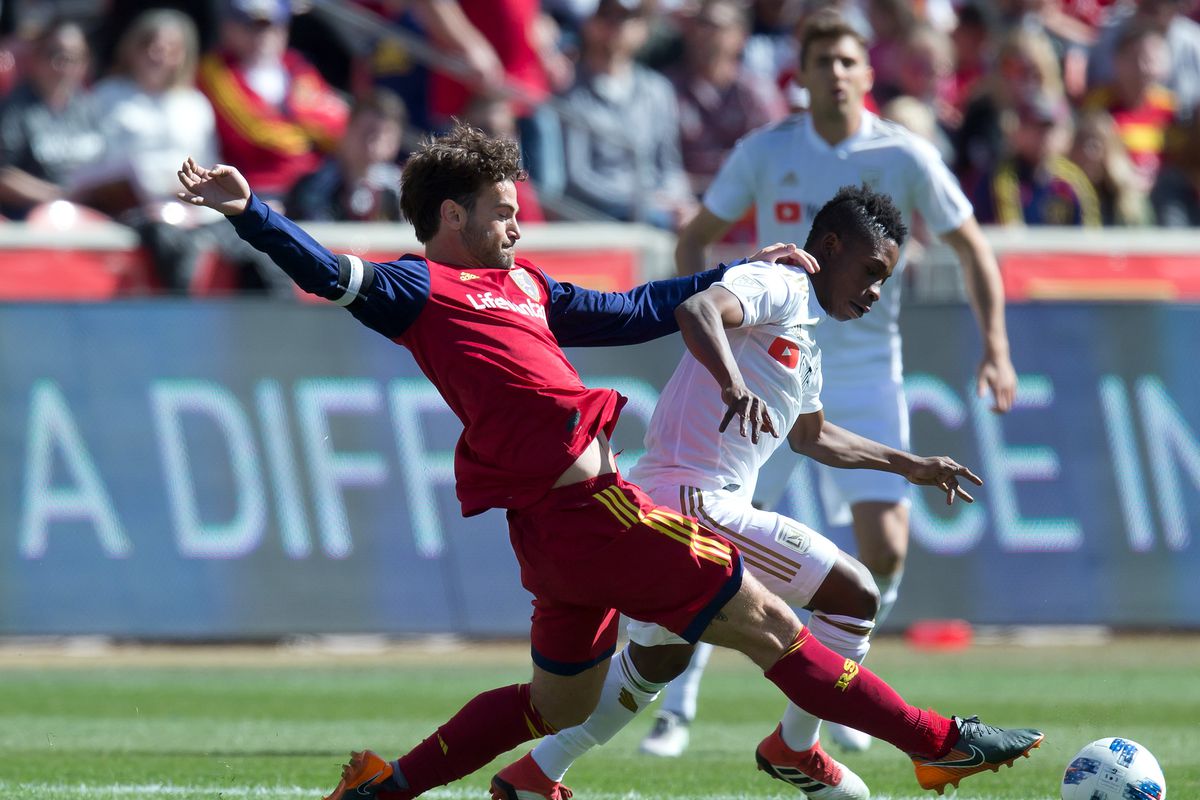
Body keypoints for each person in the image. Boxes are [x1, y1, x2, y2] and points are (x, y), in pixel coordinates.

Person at [176, 123, 1043, 800]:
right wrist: (253, 214)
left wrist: (745, 267)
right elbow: (330, 274)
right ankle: (936, 743)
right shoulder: (420, 289)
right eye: (503, 210)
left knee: (560, 705)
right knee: (773, 627)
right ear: (454, 218)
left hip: (558, 535)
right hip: (599, 514)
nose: (517, 222)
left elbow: (635, 309)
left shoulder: (526, 288)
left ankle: (386, 785)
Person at [520, 185, 1015, 800]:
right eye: (870, 271)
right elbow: (698, 310)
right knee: (853, 593)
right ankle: (796, 747)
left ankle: (537, 772)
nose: (874, 292)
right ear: (829, 246)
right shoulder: (779, 284)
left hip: (679, 500)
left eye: (885, 281)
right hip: (693, 503)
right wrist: (730, 383)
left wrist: (910, 465)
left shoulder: (804, 334)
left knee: (657, 664)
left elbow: (812, 436)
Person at [662, 10, 1017, 755]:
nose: (838, 73)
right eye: (823, 61)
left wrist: (994, 348)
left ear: (867, 71)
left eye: (850, 61)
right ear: (803, 72)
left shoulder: (904, 153)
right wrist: (726, 324)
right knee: (720, 551)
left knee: (881, 550)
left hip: (848, 369)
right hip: (769, 369)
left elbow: (971, 242)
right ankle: (686, 704)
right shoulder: (768, 164)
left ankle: (822, 707)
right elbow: (698, 247)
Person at [197, 0, 349, 204]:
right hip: (258, 189)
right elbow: (249, 137)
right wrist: (304, 130)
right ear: (228, 27)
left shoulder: (297, 67)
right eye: (251, 25)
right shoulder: (216, 71)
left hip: (314, 183)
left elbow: (337, 126)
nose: (263, 34)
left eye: (271, 25)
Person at [0, 17, 104, 219]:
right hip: (30, 220)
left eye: (73, 58)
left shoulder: (90, 107)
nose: (63, 66)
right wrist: (58, 196)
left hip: (91, 218)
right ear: (35, 58)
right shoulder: (14, 110)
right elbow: (3, 175)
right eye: (55, 55)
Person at [286, 88, 406, 222]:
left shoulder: (399, 188)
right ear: (346, 131)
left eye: (383, 136)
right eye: (366, 132)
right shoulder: (315, 183)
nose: (372, 144)